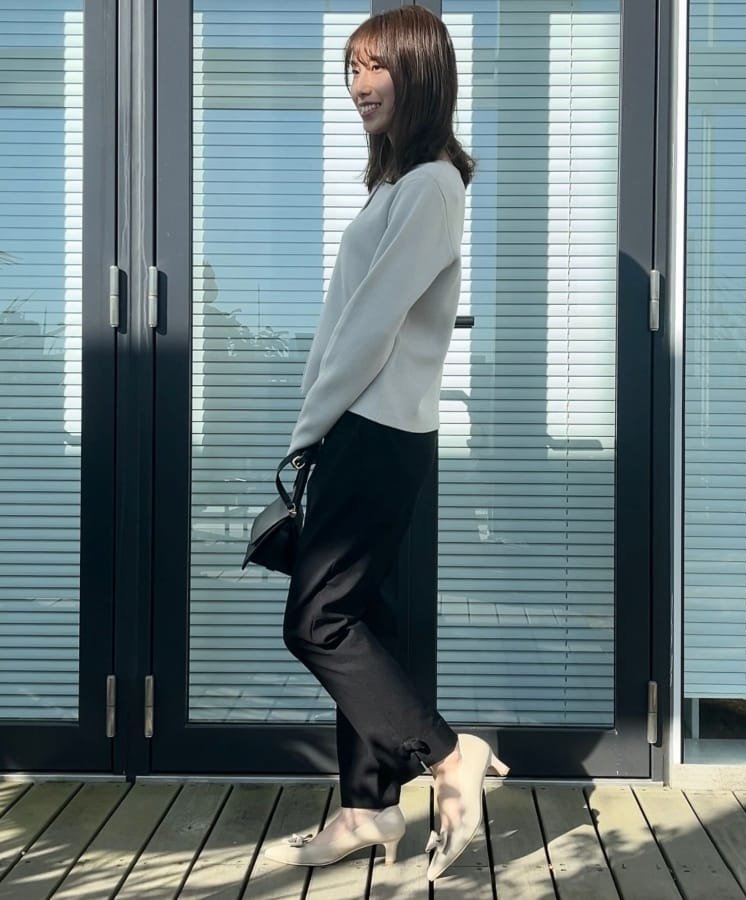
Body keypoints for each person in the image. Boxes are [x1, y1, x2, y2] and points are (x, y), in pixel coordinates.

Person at [263, 5, 509, 882]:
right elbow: (348, 324)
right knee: (362, 618)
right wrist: (316, 426)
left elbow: (370, 325)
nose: (359, 85)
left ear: (421, 73)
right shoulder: (400, 187)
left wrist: (309, 430)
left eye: (377, 67)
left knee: (317, 621)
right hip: (365, 429)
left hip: (374, 430)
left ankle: (448, 754)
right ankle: (368, 808)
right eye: (352, 69)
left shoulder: (433, 186)